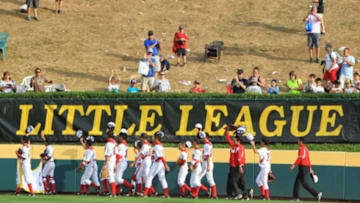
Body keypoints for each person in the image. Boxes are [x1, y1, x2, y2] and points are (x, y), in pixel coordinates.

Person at [290, 137, 322, 202]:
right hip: (305, 167)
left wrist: (294, 165)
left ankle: (317, 194)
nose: (297, 141)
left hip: (303, 167)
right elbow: (308, 159)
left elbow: (300, 158)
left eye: (298, 140)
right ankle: (296, 198)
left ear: (301, 141)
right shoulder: (306, 148)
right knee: (297, 182)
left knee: (304, 183)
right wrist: (310, 168)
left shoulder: (301, 148)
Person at [224, 126, 250, 200]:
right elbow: (228, 139)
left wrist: (240, 167)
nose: (233, 140)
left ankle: (238, 194)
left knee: (233, 180)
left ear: (238, 141)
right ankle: (245, 195)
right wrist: (227, 131)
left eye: (235, 140)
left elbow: (240, 158)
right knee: (240, 181)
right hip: (234, 166)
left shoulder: (240, 147)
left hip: (239, 166)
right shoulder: (233, 145)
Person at [143, 131, 170, 198]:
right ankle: (166, 194)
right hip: (160, 163)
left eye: (153, 137)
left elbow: (161, 157)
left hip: (157, 163)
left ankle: (145, 193)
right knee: (162, 178)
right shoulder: (158, 145)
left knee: (149, 176)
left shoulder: (158, 146)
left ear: (156, 138)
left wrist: (166, 165)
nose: (152, 138)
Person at [198, 131, 218, 198]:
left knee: (197, 179)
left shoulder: (206, 145)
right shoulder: (209, 144)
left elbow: (208, 156)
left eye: (202, 137)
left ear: (204, 137)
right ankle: (214, 194)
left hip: (207, 164)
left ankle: (195, 193)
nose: (201, 139)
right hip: (207, 163)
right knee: (210, 180)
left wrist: (208, 166)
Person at [15, 127, 34, 196]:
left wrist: (18, 154)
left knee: (26, 178)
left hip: (25, 164)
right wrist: (27, 132)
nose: (21, 141)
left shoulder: (25, 148)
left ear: (24, 141)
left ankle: (32, 193)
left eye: (22, 140)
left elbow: (24, 157)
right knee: (20, 177)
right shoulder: (28, 146)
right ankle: (17, 192)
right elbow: (27, 140)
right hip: (25, 164)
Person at [115, 129, 134, 195]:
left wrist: (115, 164)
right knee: (115, 179)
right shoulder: (124, 144)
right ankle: (117, 192)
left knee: (118, 179)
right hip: (122, 162)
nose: (118, 137)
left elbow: (119, 156)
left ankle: (131, 186)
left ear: (122, 137)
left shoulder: (122, 145)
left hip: (121, 162)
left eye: (119, 136)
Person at [100, 122, 117, 197]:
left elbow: (108, 155)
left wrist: (105, 165)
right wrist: (115, 164)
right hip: (112, 161)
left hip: (109, 162)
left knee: (110, 177)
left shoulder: (109, 144)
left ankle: (113, 193)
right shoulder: (114, 143)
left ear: (107, 136)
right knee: (103, 176)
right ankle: (107, 191)